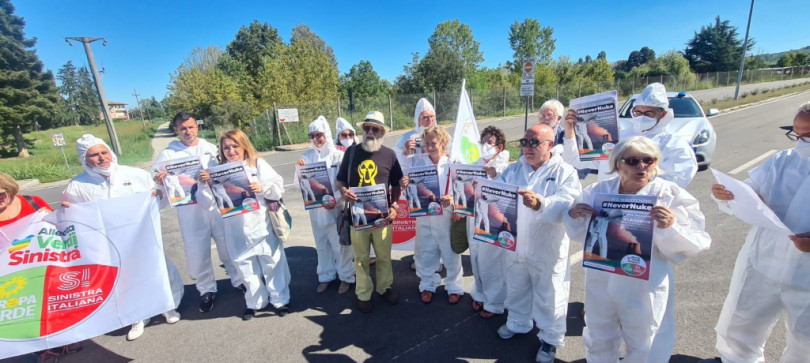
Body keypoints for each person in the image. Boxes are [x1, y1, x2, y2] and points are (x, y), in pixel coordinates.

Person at [566, 136, 711, 362]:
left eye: (649, 160)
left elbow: (697, 240)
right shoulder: (597, 191)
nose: (642, 166)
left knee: (647, 339)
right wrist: (574, 215)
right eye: (633, 160)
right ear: (617, 164)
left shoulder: (669, 194)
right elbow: (578, 233)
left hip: (644, 283)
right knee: (598, 332)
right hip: (601, 276)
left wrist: (671, 227)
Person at [703, 102, 810, 363]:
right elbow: (749, 192)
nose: (801, 142)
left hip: (807, 274)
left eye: (808, 135)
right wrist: (725, 195)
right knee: (737, 332)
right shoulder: (782, 161)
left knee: (805, 344)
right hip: (762, 261)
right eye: (796, 134)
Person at [61, 134, 184, 341]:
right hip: (111, 243)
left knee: (155, 269)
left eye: (103, 152)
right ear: (84, 159)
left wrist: (158, 195)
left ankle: (167, 307)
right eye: (94, 155)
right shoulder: (77, 186)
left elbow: (158, 200)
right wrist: (69, 211)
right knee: (126, 280)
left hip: (141, 236)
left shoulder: (135, 175)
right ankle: (138, 317)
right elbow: (75, 218)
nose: (101, 158)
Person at [490, 124, 581, 363]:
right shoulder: (513, 169)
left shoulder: (565, 172)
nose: (527, 148)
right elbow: (496, 191)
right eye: (524, 142)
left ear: (550, 145)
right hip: (516, 243)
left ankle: (550, 339)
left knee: (550, 294)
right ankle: (518, 322)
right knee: (516, 286)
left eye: (534, 143)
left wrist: (540, 204)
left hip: (546, 247)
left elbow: (568, 201)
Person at [152, 112, 240, 313]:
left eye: (191, 127)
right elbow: (156, 180)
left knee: (228, 245)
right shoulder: (168, 155)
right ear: (176, 130)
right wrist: (159, 179)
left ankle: (238, 281)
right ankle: (206, 289)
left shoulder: (210, 148)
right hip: (190, 211)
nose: (187, 131)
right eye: (183, 128)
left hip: (217, 207)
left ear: (197, 127)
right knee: (197, 252)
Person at [215, 129, 291, 320]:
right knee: (246, 268)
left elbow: (278, 188)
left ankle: (280, 300)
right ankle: (255, 302)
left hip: (262, 225)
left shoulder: (257, 164)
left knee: (272, 264)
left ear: (244, 146)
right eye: (226, 148)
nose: (231, 151)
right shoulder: (217, 172)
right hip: (236, 229)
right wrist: (205, 184)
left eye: (235, 146)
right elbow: (210, 202)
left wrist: (262, 188)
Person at [561, 83, 698, 188]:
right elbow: (575, 160)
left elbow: (676, 184)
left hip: (644, 213)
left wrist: (633, 186)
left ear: (663, 114)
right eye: (638, 112)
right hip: (609, 206)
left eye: (649, 113)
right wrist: (570, 132)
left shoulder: (674, 145)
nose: (642, 117)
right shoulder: (617, 138)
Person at [336, 111, 403, 313]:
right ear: (362, 130)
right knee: (361, 258)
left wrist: (395, 205)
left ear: (382, 132)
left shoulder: (390, 155)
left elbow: (397, 184)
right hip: (358, 217)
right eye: (367, 128)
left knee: (383, 256)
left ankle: (384, 287)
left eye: (375, 129)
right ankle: (363, 293)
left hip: (383, 217)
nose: (370, 132)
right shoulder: (352, 152)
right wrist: (344, 191)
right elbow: (341, 179)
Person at [403, 125, 463, 304]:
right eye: (426, 143)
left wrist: (453, 198)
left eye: (433, 143)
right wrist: (406, 182)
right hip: (424, 214)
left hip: (445, 214)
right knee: (425, 250)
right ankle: (427, 284)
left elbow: (463, 188)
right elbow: (405, 175)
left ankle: (454, 286)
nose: (429, 147)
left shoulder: (454, 162)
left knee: (450, 252)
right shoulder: (418, 162)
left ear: (443, 142)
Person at [295, 116, 355, 295]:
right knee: (322, 244)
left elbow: (347, 182)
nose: (316, 139)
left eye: (319, 134)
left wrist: (335, 199)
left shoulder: (339, 154)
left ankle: (346, 276)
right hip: (317, 211)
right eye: (312, 136)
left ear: (326, 134)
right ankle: (326, 275)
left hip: (337, 208)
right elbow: (300, 186)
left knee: (341, 245)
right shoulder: (306, 157)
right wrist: (299, 170)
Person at [466, 126, 511, 318]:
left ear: (499, 147)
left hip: (493, 220)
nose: (485, 145)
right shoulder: (474, 164)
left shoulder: (506, 168)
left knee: (491, 262)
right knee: (475, 257)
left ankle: (495, 302)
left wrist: (493, 178)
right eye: (483, 142)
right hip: (474, 218)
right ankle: (480, 293)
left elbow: (509, 197)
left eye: (490, 143)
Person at [393, 98, 437, 164]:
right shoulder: (407, 137)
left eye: (431, 116)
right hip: (416, 173)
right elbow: (395, 160)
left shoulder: (441, 135)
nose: (430, 120)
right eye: (425, 117)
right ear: (417, 118)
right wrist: (406, 152)